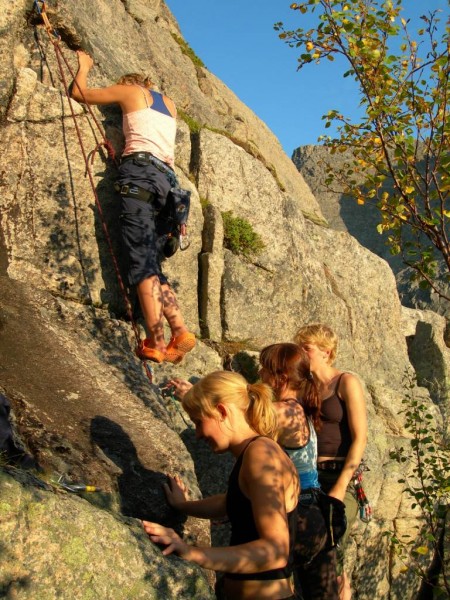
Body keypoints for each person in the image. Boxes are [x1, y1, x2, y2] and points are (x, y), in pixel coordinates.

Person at [71, 51, 195, 364]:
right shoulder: (169, 104)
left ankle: (155, 341)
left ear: (127, 85)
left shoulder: (130, 92)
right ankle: (179, 329)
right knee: (153, 263)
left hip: (140, 176)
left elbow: (79, 94)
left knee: (141, 262)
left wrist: (84, 66)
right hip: (168, 186)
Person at [142, 371, 300, 600]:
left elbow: (275, 551)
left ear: (222, 411)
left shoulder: (261, 455)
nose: (196, 434)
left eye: (198, 422)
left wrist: (191, 553)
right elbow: (230, 502)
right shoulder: (256, 452)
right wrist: (183, 505)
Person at [258, 343, 339, 600]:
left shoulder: (281, 412)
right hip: (315, 509)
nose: (259, 373)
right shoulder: (298, 408)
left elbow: (237, 426)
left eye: (264, 368)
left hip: (297, 515)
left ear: (280, 377)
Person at [294, 323, 368, 596]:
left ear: (326, 352)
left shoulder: (346, 382)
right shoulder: (304, 387)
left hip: (339, 475)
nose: (302, 352)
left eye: (307, 348)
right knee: (308, 547)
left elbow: (360, 438)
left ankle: (342, 593)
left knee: (331, 541)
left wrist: (340, 486)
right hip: (307, 475)